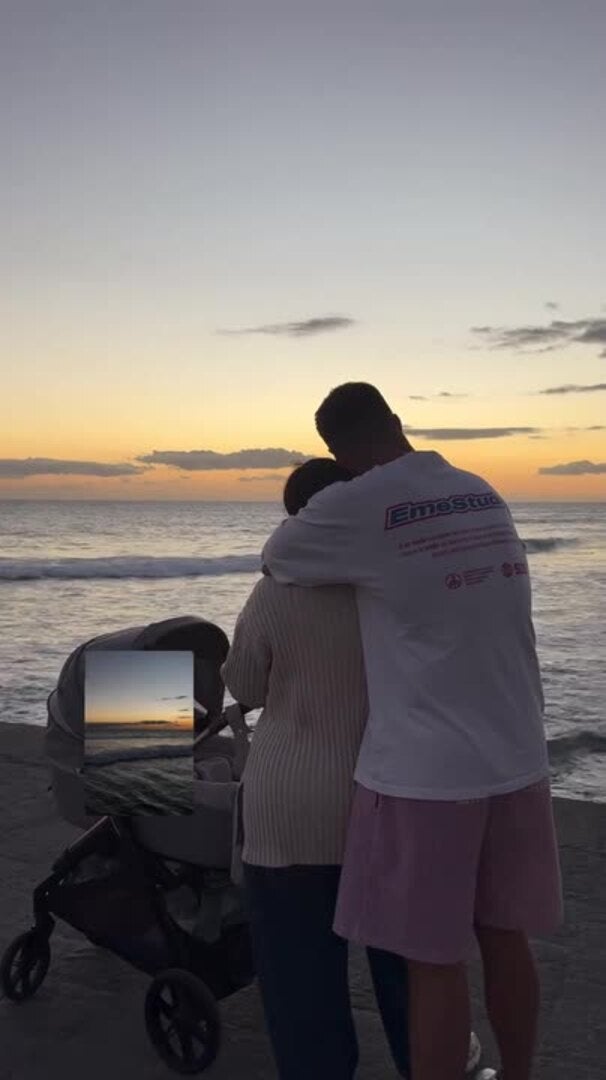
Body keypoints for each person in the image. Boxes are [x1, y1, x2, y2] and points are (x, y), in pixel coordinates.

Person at [261, 384, 563, 1080]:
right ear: (396, 423)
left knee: (432, 962)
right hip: (519, 756)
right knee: (506, 937)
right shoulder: (479, 489)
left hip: (428, 776)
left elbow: (281, 556)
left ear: (338, 452)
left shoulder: (361, 501)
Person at [222, 458, 482, 1080]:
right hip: (391, 796)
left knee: (300, 982)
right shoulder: (399, 585)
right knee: (405, 972)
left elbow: (244, 682)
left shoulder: (276, 586)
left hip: (289, 808)